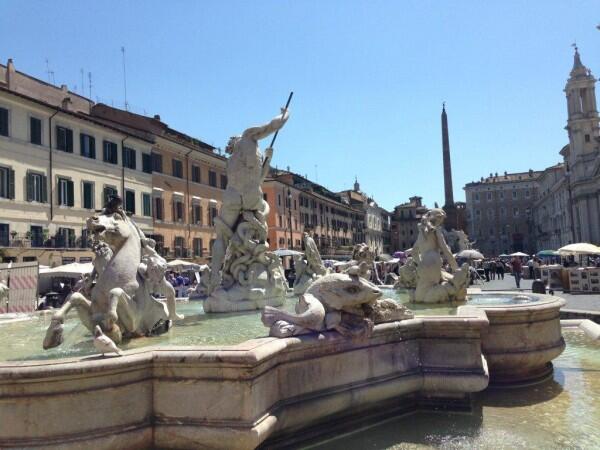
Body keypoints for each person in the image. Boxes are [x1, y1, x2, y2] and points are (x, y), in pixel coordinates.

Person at [209, 108, 290, 292]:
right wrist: (285, 115)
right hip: (251, 195)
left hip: (232, 195)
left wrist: (268, 159)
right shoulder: (248, 137)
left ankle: (215, 276)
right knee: (264, 210)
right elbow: (271, 126)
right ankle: (259, 250)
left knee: (221, 237)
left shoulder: (231, 161)